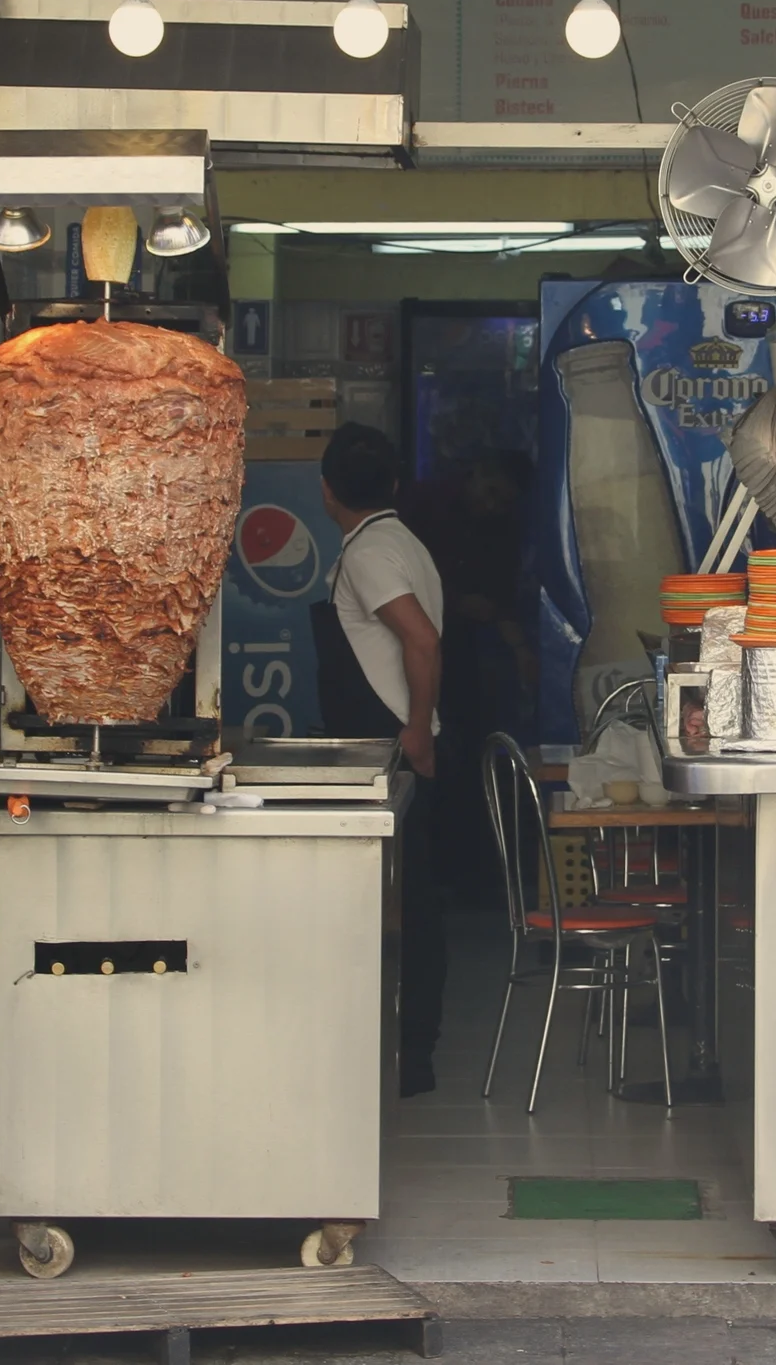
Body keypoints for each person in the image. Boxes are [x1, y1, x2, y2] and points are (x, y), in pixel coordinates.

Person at [311, 424, 447, 1096]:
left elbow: (420, 640)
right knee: (409, 900)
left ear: (326, 490)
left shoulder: (369, 554)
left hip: (390, 743)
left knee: (403, 906)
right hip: (389, 741)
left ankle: (406, 1054)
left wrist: (416, 728)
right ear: (393, 485)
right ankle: (409, 1050)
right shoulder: (402, 542)